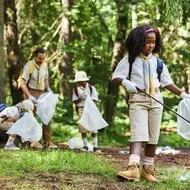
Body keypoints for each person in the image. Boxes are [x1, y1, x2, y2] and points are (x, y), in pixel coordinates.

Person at [112, 25, 190, 182]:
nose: (151, 45)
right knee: (138, 134)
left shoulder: (158, 62)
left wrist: (183, 94)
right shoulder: (129, 59)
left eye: (153, 42)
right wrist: (126, 82)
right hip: (137, 101)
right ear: (138, 41)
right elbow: (115, 77)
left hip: (156, 102)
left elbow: (167, 83)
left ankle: (148, 170)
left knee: (153, 137)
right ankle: (132, 167)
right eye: (147, 42)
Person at [20, 47, 57, 149]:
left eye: (43, 58)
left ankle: (47, 141)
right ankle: (33, 141)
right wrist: (29, 96)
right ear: (35, 56)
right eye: (39, 58)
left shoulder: (44, 65)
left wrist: (49, 89)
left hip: (43, 93)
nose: (41, 60)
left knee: (47, 117)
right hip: (31, 92)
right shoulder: (29, 66)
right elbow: (23, 84)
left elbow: (45, 79)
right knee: (32, 117)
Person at [72, 71, 101, 152]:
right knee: (82, 127)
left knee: (93, 127)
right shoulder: (76, 90)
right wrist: (81, 98)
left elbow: (95, 100)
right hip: (81, 108)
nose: (80, 83)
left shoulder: (91, 88)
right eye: (79, 81)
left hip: (91, 108)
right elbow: (75, 101)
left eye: (81, 81)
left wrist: (88, 100)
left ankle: (95, 145)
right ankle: (85, 145)